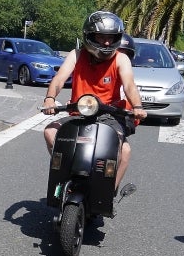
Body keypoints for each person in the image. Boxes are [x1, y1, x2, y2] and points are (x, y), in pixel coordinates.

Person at [40, 11, 148, 190]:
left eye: (111, 37)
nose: (106, 42)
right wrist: (50, 99)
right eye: (101, 37)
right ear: (89, 36)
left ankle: (107, 191)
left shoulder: (121, 59)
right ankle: (66, 173)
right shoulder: (76, 55)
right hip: (78, 112)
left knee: (124, 150)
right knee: (50, 132)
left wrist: (137, 106)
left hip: (109, 115)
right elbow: (59, 78)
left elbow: (129, 85)